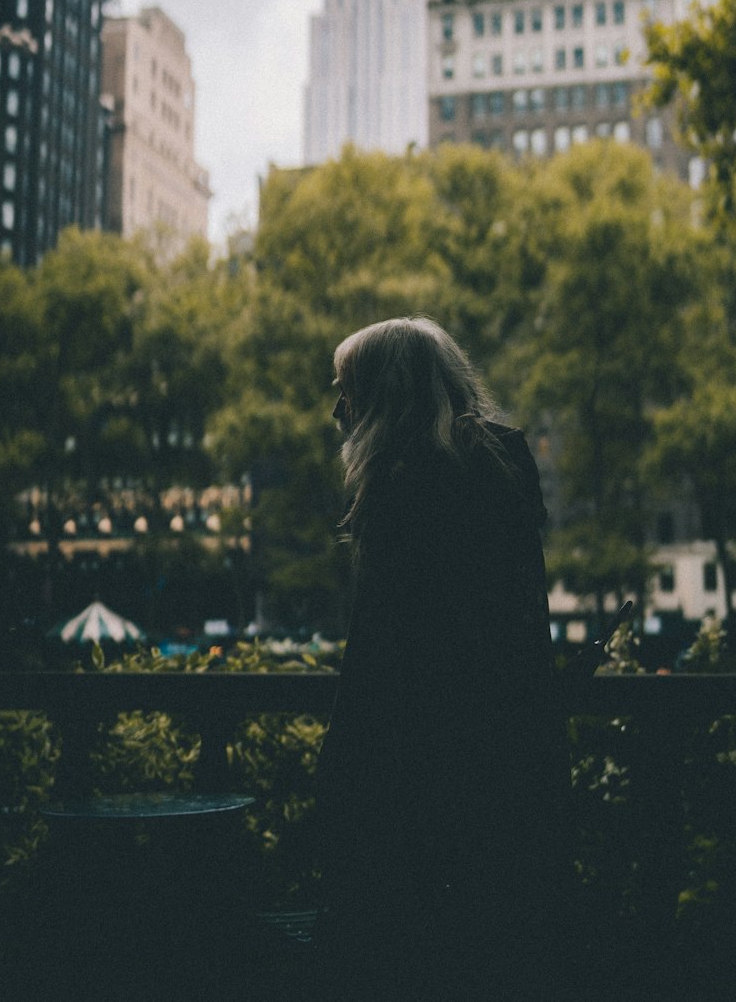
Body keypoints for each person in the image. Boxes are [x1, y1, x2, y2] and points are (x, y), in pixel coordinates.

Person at [313, 316, 572, 1000]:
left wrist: (339, 769)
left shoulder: (400, 489)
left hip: (417, 783)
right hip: (510, 772)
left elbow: (377, 656)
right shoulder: (500, 469)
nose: (337, 408)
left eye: (349, 389)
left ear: (387, 395)